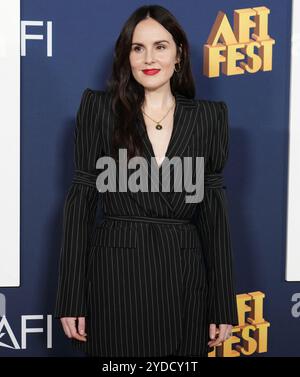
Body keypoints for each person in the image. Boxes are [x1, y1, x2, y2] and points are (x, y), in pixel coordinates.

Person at [54, 4, 239, 357]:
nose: (148, 58)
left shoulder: (209, 119)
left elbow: (215, 217)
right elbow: (81, 202)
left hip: (183, 277)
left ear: (179, 54)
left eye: (160, 46)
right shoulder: (99, 109)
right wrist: (71, 297)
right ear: (126, 57)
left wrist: (222, 305)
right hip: (115, 278)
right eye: (137, 48)